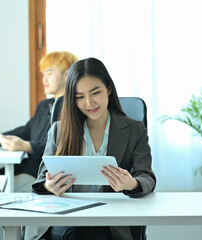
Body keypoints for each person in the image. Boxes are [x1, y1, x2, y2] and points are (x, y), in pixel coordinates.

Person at [30, 57, 156, 240]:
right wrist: (50, 186)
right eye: (80, 97)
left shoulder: (134, 129)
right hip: (67, 220)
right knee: (78, 232)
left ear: (109, 89)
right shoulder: (59, 130)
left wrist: (132, 184)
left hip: (111, 221)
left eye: (95, 93)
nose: (89, 103)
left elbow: (147, 177)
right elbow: (41, 180)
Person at [0, 51, 78, 192]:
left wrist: (27, 146)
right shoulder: (44, 105)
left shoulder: (73, 108)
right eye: (43, 74)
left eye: (49, 73)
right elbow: (26, 130)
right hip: (23, 166)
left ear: (67, 74)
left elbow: (61, 147)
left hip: (40, 175)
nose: (44, 79)